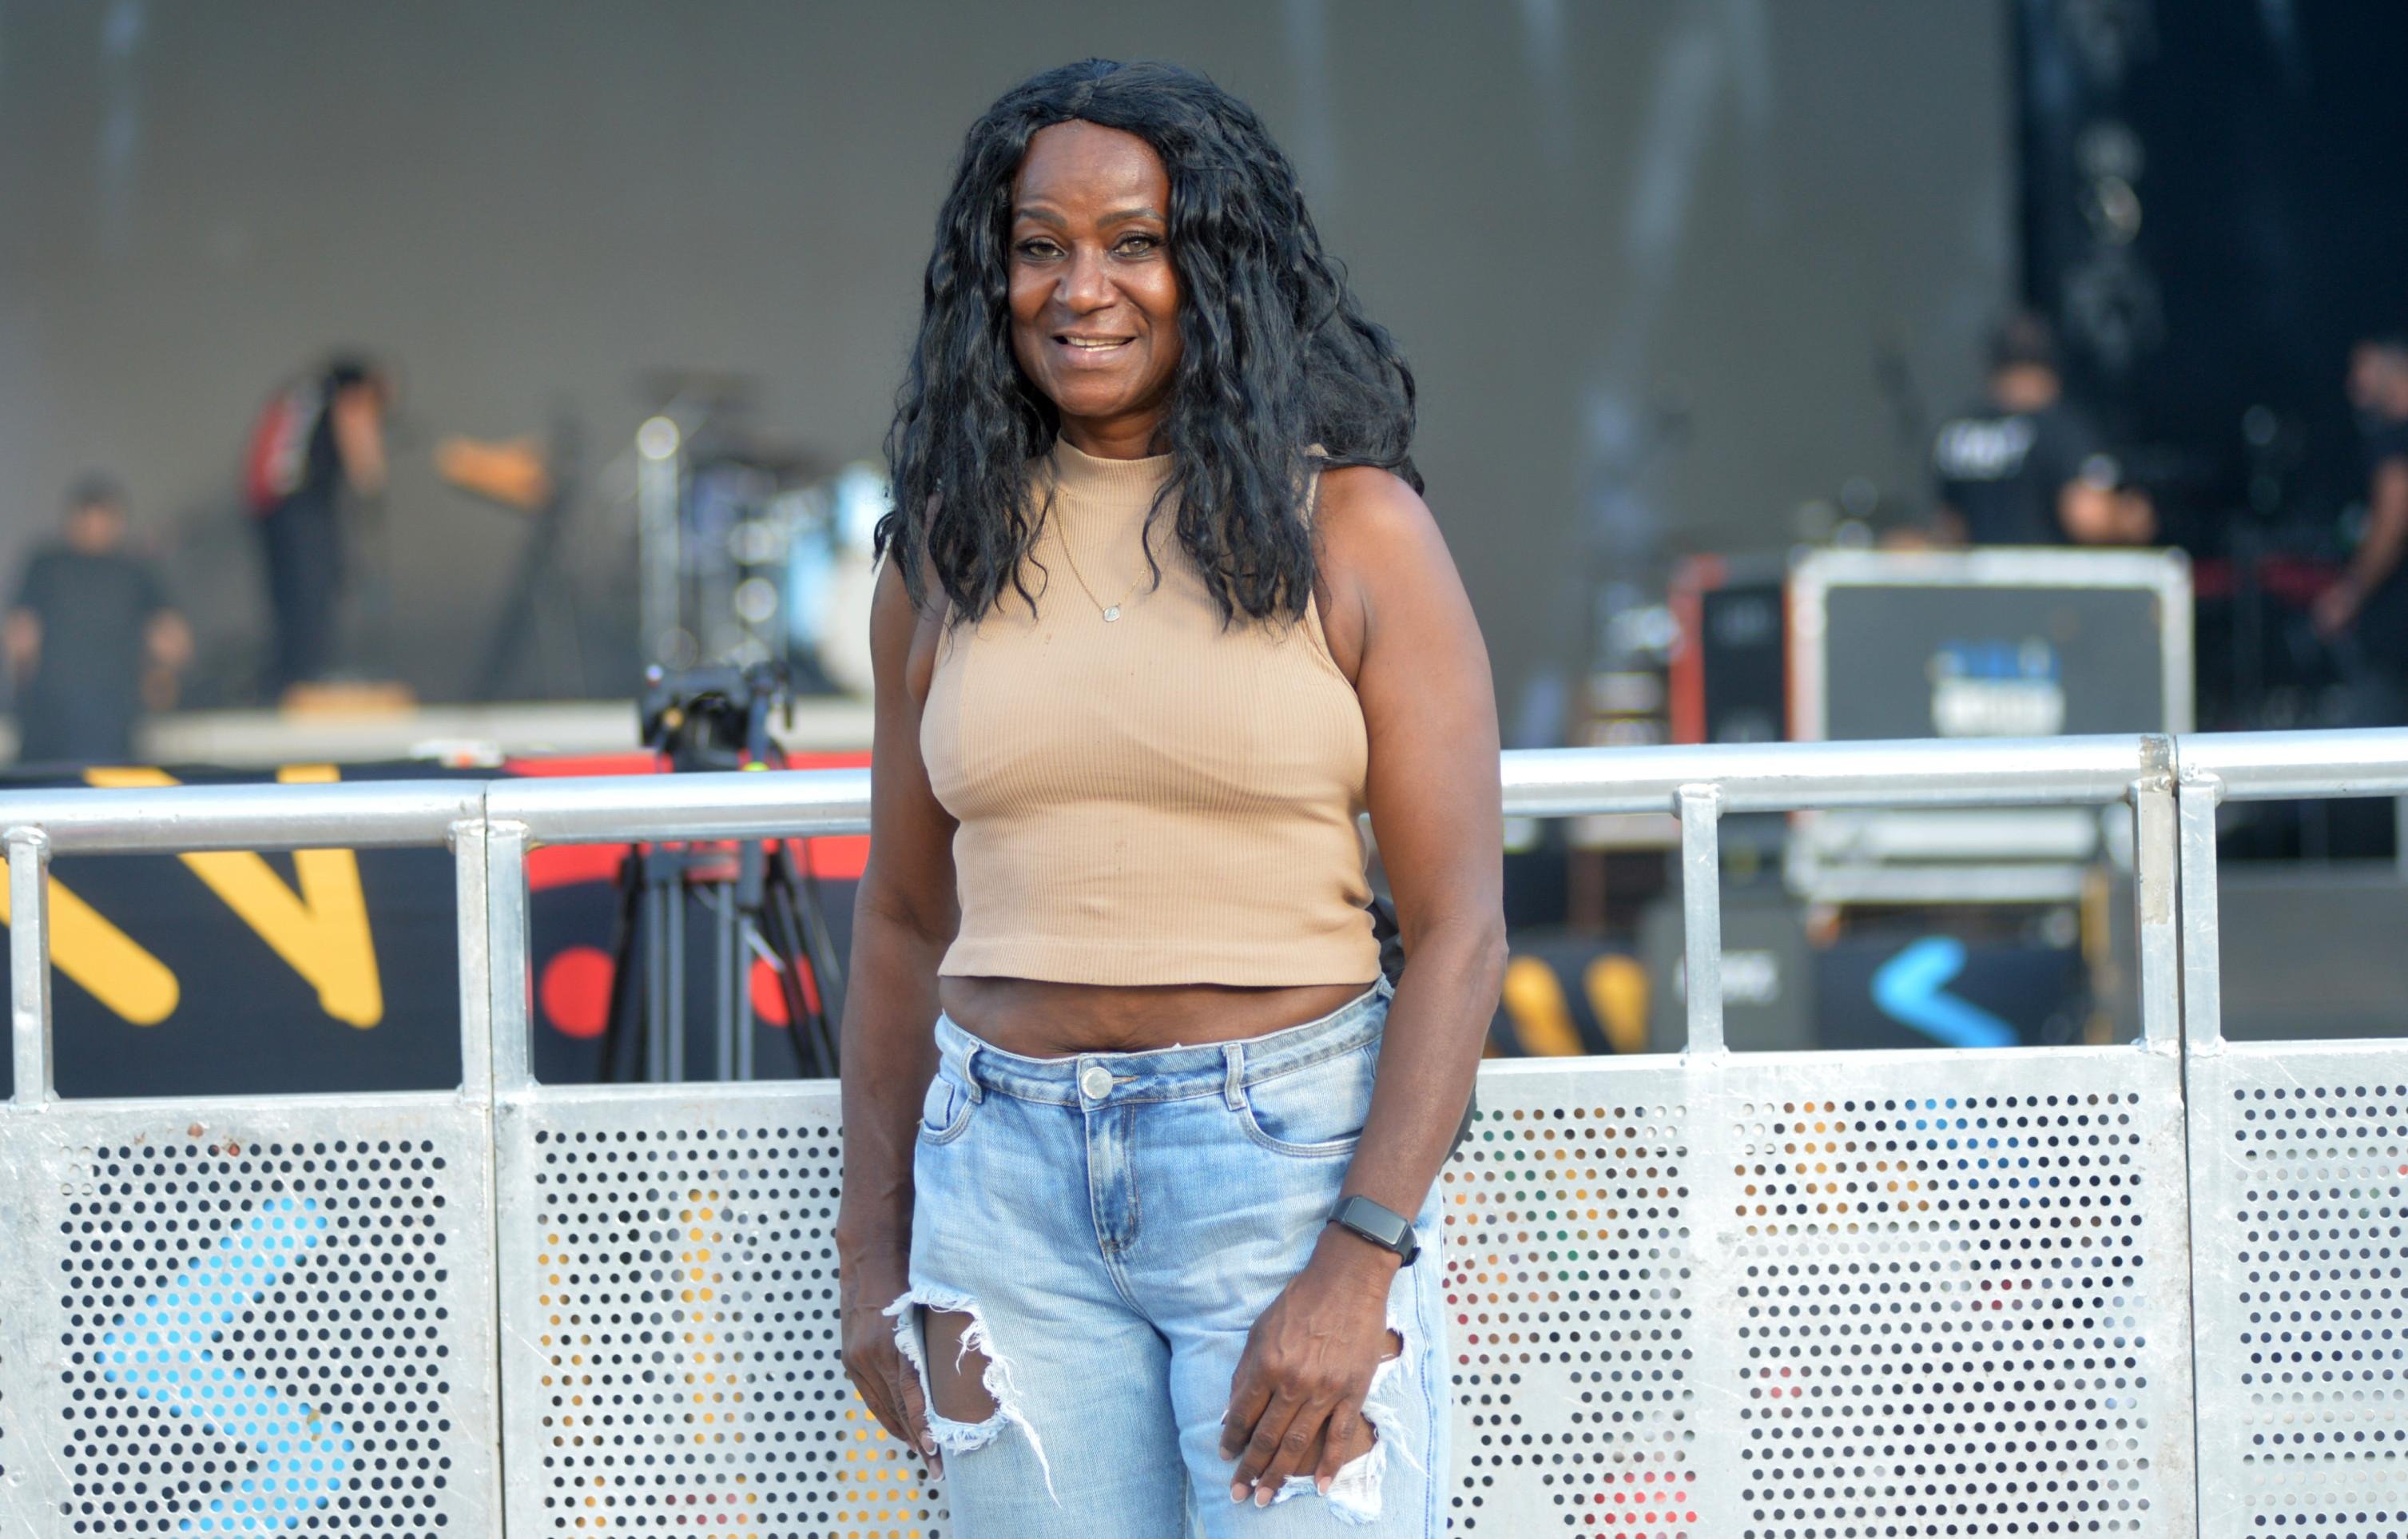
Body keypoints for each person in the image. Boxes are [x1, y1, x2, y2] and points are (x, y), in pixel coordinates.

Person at [836, 60, 1504, 1537]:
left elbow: (1459, 932)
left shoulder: (1358, 531)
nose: (1081, 287)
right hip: (996, 1189)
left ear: (1214, 267)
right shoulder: (943, 549)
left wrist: (1360, 1255)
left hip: (1283, 1175)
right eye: (1037, 246)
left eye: (1134, 241)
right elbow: (897, 919)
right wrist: (870, 1246)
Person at [6, 477, 192, 765]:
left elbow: (169, 635)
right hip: (51, 707)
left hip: (116, 707)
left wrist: (162, 678)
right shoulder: (46, 565)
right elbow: (21, 633)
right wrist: (20, 687)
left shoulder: (135, 569)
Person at [1927, 312, 2154, 547]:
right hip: (2043, 579)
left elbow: (1950, 530)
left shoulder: (1957, 432)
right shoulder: (2059, 428)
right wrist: (2126, 520)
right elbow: (2086, 516)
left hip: (1982, 579)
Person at [244, 356, 389, 694]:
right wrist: (370, 479)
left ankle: (293, 675)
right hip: (302, 505)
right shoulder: (347, 390)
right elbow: (364, 461)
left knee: (291, 594)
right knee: (316, 587)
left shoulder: (303, 392)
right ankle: (311, 676)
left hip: (270, 507)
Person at [2315, 336, 2408, 717]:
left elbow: (2392, 521)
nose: (2355, 385)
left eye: (2362, 370)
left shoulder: (2393, 439)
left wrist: (2351, 592)